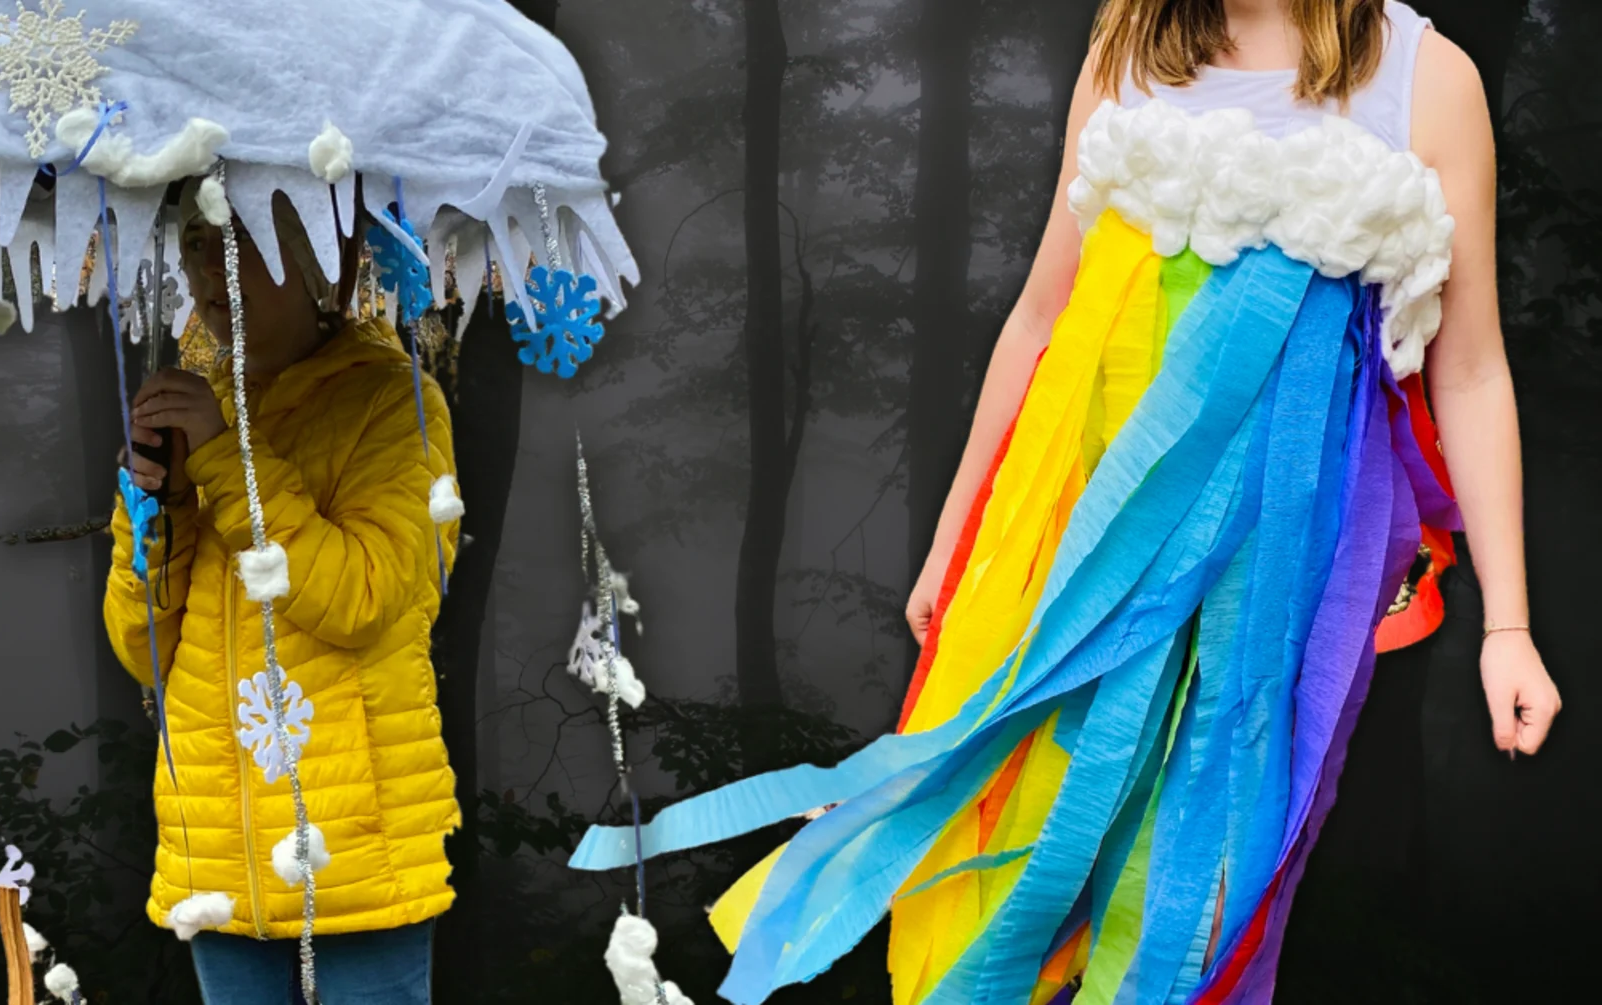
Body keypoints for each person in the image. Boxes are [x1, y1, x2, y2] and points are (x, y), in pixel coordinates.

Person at [567, 2, 1562, 1002]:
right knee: (1012, 882)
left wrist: (1508, 626)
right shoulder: (1127, 49)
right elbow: (1042, 319)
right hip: (1071, 573)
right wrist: (955, 543)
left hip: (1262, 616)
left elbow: (1468, 372)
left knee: (1190, 911)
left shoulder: (1426, 81)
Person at [103, 185, 460, 1005]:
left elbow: (362, 596)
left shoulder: (395, 402)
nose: (206, 273)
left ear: (317, 267)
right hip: (220, 855)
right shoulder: (203, 409)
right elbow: (141, 649)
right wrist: (154, 508)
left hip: (357, 853)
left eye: (235, 243)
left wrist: (227, 460)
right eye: (195, 247)